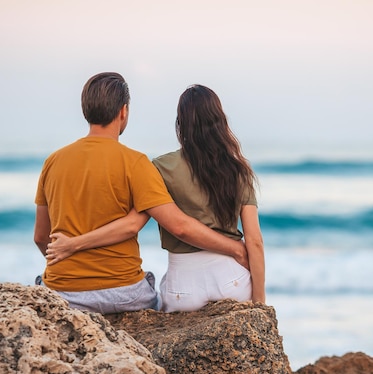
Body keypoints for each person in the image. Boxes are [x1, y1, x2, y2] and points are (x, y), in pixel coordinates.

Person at [34, 73, 247, 314]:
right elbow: (178, 226)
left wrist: (72, 261)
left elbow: (41, 237)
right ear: (123, 111)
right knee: (158, 302)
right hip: (123, 292)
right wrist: (236, 248)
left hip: (64, 293)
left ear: (86, 110)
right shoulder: (136, 163)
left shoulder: (53, 162)